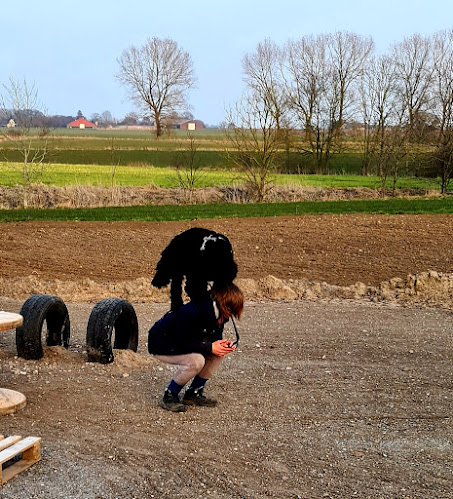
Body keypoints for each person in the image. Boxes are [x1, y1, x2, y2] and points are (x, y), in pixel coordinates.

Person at [148, 283, 244, 412]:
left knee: (218, 353)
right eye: (231, 311)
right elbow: (180, 340)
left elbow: (212, 338)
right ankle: (170, 395)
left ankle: (193, 393)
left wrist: (221, 345)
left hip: (181, 342)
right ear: (224, 304)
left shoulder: (219, 313)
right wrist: (210, 347)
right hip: (161, 343)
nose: (231, 316)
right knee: (196, 361)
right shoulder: (193, 311)